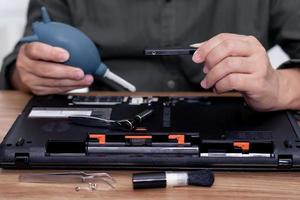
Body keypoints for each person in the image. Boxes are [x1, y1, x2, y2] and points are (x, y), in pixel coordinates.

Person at [1, 0, 300, 111]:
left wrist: (280, 87)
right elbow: (22, 64)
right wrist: (26, 72)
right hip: (101, 129)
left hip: (234, 130)